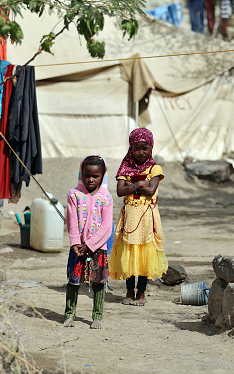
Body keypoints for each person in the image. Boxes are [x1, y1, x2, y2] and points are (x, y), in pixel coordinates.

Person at [110, 128, 168, 306]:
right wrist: (140, 184)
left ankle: (141, 292)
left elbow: (151, 191)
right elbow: (120, 191)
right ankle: (129, 291)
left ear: (151, 147)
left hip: (146, 218)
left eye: (145, 148)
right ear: (131, 148)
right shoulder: (125, 166)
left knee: (145, 254)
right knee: (130, 253)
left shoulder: (155, 168)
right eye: (136, 148)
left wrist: (132, 185)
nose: (141, 152)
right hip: (130, 217)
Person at [64, 155, 113, 329]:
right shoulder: (74, 195)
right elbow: (71, 221)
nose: (90, 179)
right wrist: (76, 243)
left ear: (102, 175)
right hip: (78, 248)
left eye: (95, 176)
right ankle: (70, 315)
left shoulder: (106, 198)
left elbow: (107, 226)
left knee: (99, 282)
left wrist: (91, 245)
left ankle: (97, 316)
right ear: (81, 173)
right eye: (87, 175)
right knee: (74, 280)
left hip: (98, 248)